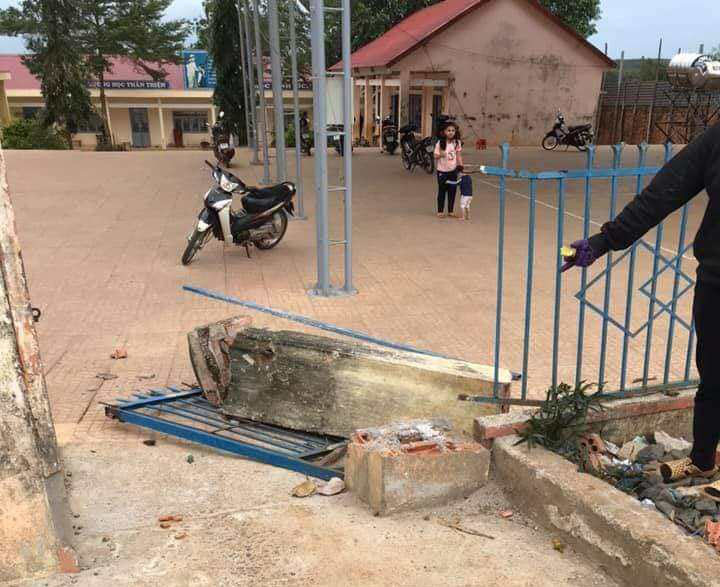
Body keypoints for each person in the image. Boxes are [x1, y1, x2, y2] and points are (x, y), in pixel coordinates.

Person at [562, 122, 720, 485]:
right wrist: (604, 241)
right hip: (716, 282)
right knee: (713, 378)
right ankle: (702, 460)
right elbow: (663, 192)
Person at [434, 122, 463, 218]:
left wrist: (460, 166)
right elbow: (435, 155)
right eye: (449, 130)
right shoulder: (440, 143)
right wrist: (440, 155)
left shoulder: (457, 143)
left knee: (452, 191)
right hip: (442, 171)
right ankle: (440, 211)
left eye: (453, 130)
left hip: (453, 171)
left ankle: (451, 211)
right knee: (442, 191)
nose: (451, 132)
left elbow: (458, 155)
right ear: (444, 132)